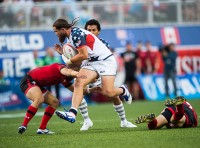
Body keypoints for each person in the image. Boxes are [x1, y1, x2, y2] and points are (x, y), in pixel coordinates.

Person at [52, 18, 134, 127]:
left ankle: (122, 90)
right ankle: (72, 113)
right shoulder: (70, 39)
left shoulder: (76, 34)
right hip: (91, 62)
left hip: (105, 61)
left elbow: (83, 55)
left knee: (108, 92)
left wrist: (68, 60)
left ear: (62, 29)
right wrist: (63, 53)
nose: (56, 34)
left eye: (56, 31)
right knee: (79, 82)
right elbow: (77, 62)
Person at [84, 19, 136, 128]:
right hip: (88, 71)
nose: (91, 32)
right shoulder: (81, 43)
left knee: (111, 94)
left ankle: (124, 120)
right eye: (89, 30)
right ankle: (86, 120)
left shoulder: (103, 44)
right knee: (78, 88)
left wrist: (98, 77)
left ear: (98, 31)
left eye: (94, 30)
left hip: (102, 72)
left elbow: (105, 63)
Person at [18, 63, 95, 134]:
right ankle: (24, 125)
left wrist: (92, 90)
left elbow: (77, 91)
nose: (79, 70)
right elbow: (66, 71)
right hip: (28, 80)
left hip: (37, 84)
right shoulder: (60, 67)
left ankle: (42, 129)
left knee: (54, 102)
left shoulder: (64, 78)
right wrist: (78, 74)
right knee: (39, 99)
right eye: (78, 69)